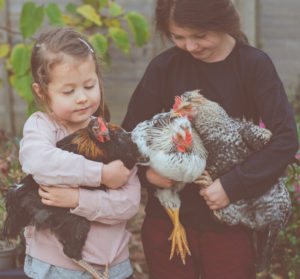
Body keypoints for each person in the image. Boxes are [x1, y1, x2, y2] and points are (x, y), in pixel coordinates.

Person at [122, 0, 299, 279]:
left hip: (230, 221)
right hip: (169, 218)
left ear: (223, 22)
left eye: (199, 35)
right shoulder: (164, 67)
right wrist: (148, 175)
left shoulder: (253, 65)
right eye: (178, 37)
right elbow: (128, 136)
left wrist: (232, 185)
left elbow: (286, 139)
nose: (190, 47)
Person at [19, 27, 140, 279]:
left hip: (114, 267)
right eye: (68, 91)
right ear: (41, 92)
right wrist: (101, 175)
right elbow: (38, 161)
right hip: (57, 269)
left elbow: (128, 205)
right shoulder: (42, 126)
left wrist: (77, 200)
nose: (82, 98)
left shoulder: (113, 136)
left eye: (89, 85)